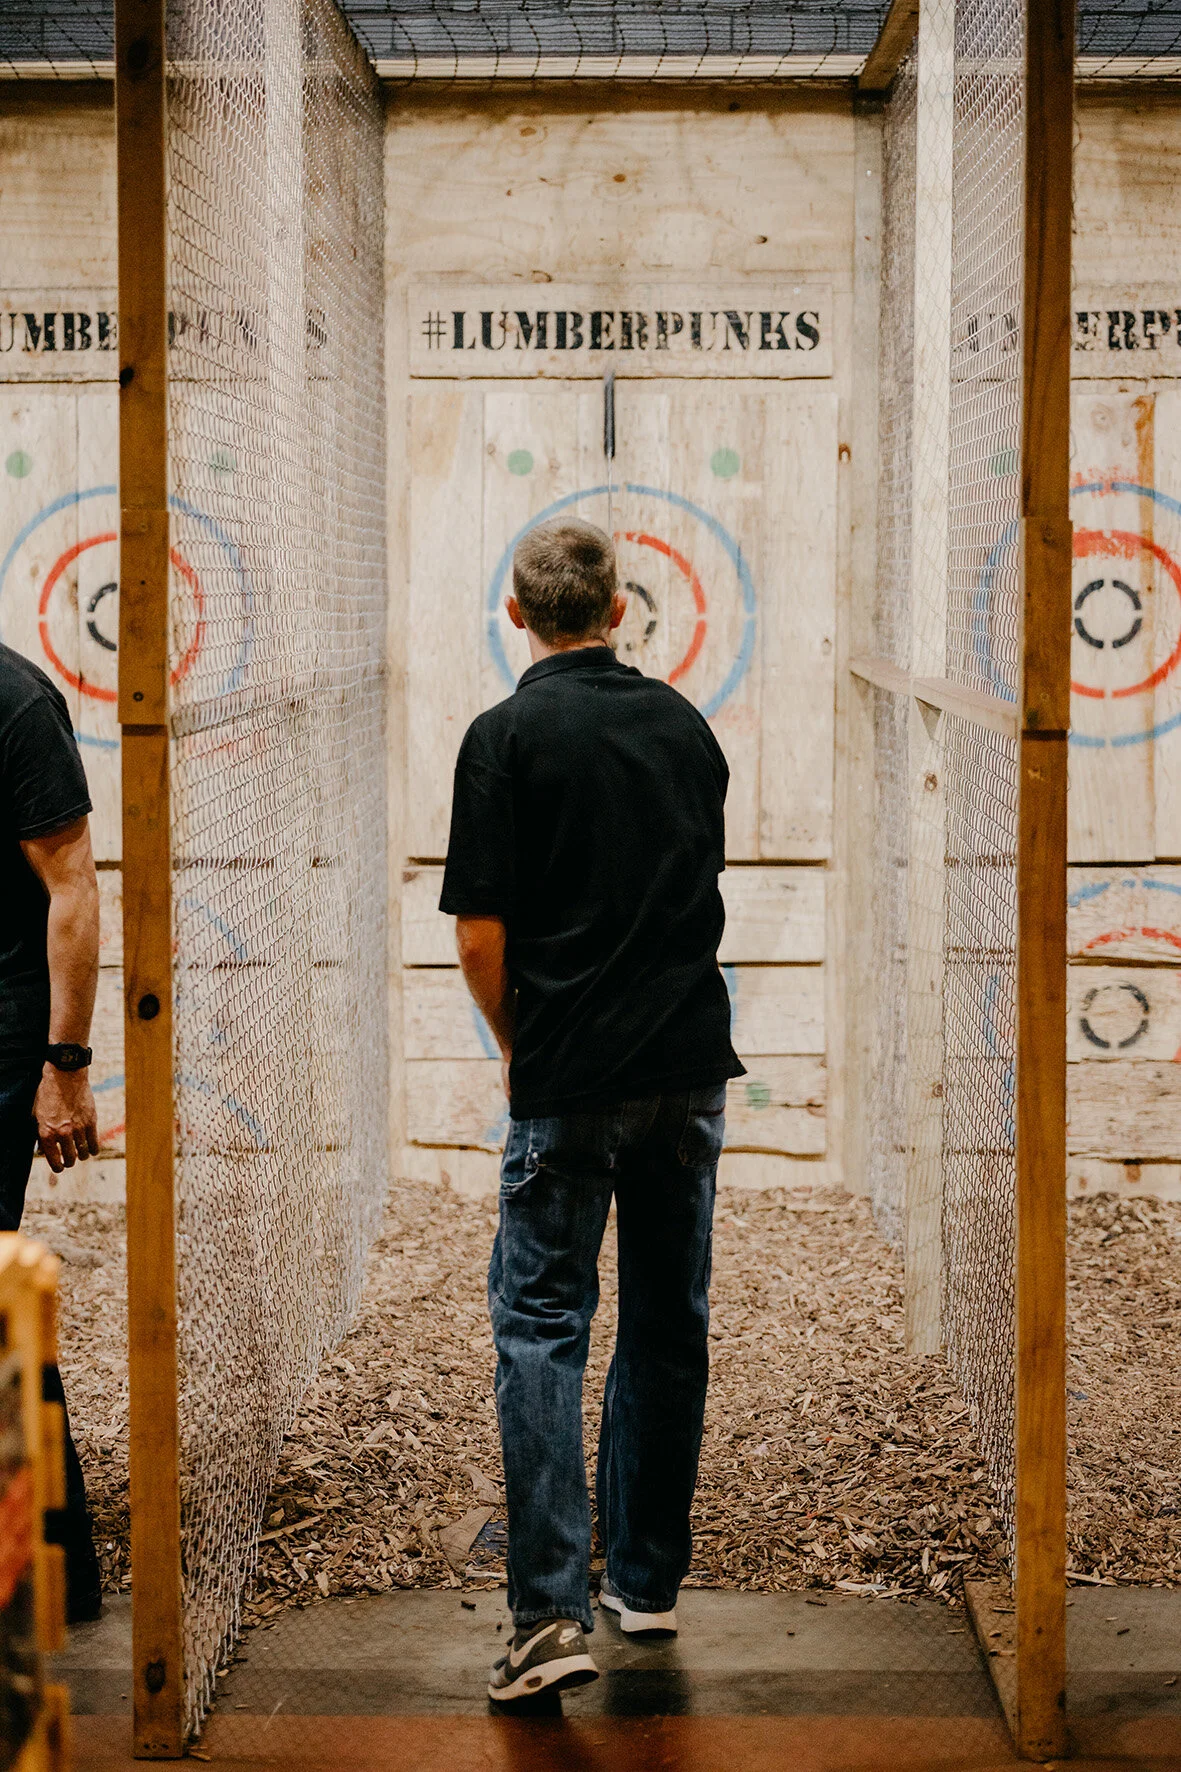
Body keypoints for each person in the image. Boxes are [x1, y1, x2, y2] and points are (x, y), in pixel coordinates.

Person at [439, 518, 742, 1702]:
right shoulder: (685, 727)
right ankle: (647, 1584)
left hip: (567, 1081)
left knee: (540, 1328)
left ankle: (546, 1617)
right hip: (684, 1073)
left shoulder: (501, 737)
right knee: (667, 1322)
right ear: (619, 611)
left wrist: (526, 1047)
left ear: (516, 614)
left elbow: (478, 931)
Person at [0, 641, 104, 1623]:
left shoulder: (16, 701)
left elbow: (72, 884)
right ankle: (55, 1556)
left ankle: (50, 1563)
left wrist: (63, 1067)